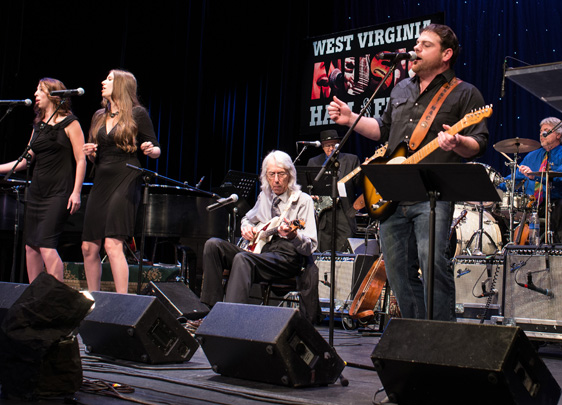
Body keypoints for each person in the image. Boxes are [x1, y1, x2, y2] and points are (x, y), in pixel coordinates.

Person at [327, 24, 489, 321]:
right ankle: (413, 334)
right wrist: (351, 119)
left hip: (432, 195)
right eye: (417, 43)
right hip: (394, 191)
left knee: (431, 264)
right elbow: (383, 132)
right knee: (398, 269)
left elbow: (478, 144)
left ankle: (440, 339)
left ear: (446, 54)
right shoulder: (401, 87)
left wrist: (457, 141)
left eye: (426, 44)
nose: (416, 48)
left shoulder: (465, 93)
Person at [0, 78, 86, 283]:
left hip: (58, 192)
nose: (35, 94)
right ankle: (35, 296)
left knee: (46, 245)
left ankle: (54, 298)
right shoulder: (39, 126)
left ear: (53, 94)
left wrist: (76, 191)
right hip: (37, 192)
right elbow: (25, 160)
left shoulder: (71, 122)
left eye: (40, 90)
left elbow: (81, 159)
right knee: (31, 246)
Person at [200, 150, 318, 312]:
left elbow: (310, 247)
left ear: (290, 175)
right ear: (265, 176)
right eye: (271, 174)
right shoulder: (264, 196)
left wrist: (294, 236)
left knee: (243, 258)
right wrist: (246, 227)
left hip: (286, 257)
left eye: (281, 174)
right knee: (213, 245)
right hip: (262, 252)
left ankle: (230, 318)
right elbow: (248, 219)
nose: (276, 180)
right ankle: (209, 311)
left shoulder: (302, 200)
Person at [81, 70, 161, 293]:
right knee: (88, 246)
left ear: (122, 86)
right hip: (101, 179)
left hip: (126, 175)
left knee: (112, 243)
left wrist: (150, 149)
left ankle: (121, 303)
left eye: (108, 79)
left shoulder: (137, 114)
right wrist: (90, 153)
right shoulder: (98, 115)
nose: (103, 82)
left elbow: (156, 149)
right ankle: (94, 300)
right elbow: (96, 153)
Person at [500, 117, 562, 243]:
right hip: (533, 204)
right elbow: (514, 179)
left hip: (556, 203)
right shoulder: (532, 156)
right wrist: (497, 182)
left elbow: (560, 177)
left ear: (558, 135)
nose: (542, 134)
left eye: (546, 131)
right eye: (541, 131)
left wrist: (535, 176)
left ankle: (557, 249)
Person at [306, 129, 360, 252]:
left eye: (334, 145)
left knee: (344, 250)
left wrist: (365, 172)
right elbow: (309, 187)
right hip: (323, 215)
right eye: (327, 145)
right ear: (322, 146)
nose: (330, 148)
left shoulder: (351, 160)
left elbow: (359, 183)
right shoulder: (314, 162)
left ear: (339, 144)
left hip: (344, 213)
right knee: (323, 250)